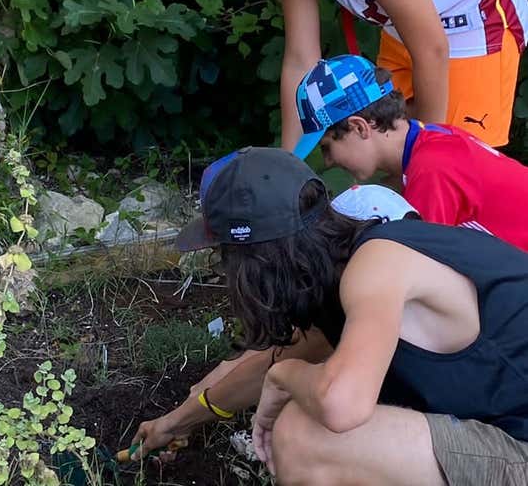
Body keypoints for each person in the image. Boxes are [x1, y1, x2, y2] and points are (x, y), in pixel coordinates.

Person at [131, 147, 528, 486]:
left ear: (254, 262)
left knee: (303, 436)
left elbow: (341, 405)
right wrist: (175, 423)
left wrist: (283, 379)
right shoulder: (340, 280)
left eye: (226, 258)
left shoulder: (378, 265)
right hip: (505, 433)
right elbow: (264, 367)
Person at [133, 184, 419, 461]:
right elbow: (276, 349)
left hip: (449, 432)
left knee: (294, 434)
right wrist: (193, 403)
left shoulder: (358, 285)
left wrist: (180, 421)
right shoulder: (358, 251)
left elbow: (281, 369)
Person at [197, 0, 528, 149]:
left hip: (475, 19)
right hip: (405, 28)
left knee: (454, 162)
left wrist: (429, 156)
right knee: (387, 150)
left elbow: (433, 49)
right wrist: (290, 165)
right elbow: (301, 60)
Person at [293, 53, 528, 251]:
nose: (328, 161)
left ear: (359, 127)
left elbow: (424, 267)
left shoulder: (431, 170)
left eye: (327, 147)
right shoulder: (435, 137)